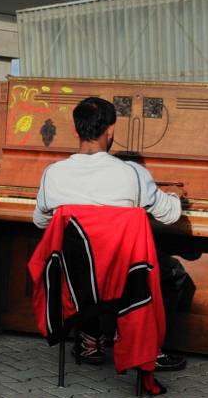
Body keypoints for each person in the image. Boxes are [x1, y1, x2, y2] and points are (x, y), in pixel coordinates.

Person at [33, 96, 188, 372]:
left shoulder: (53, 174)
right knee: (173, 272)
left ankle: (89, 339)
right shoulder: (133, 174)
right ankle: (146, 346)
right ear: (111, 130)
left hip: (77, 274)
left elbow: (42, 223)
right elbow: (170, 215)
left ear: (76, 130)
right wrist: (178, 197)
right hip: (125, 275)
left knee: (80, 263)